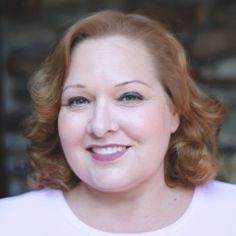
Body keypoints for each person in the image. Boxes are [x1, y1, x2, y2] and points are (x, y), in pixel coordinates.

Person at [0, 10, 235, 236]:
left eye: (129, 97)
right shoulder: (9, 223)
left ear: (175, 110)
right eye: (79, 100)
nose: (100, 126)